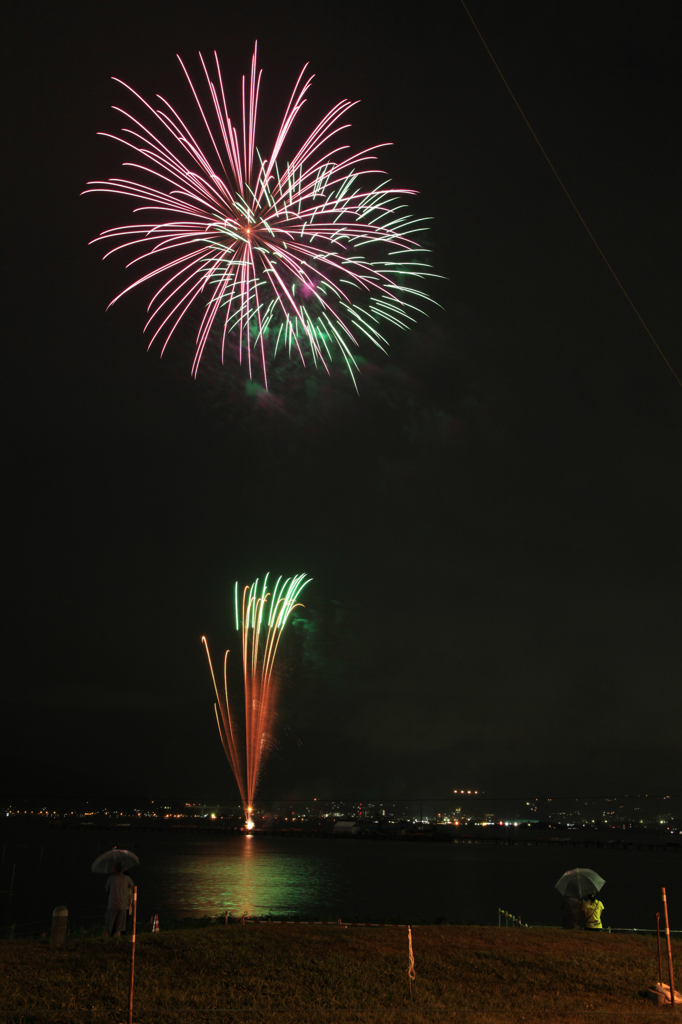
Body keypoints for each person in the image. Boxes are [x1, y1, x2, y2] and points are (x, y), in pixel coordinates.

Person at [102, 862, 134, 938]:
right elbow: (133, 887)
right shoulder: (127, 878)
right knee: (118, 929)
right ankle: (116, 944)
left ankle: (103, 943)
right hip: (122, 906)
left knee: (107, 928)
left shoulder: (111, 878)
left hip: (112, 906)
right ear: (123, 870)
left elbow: (106, 889)